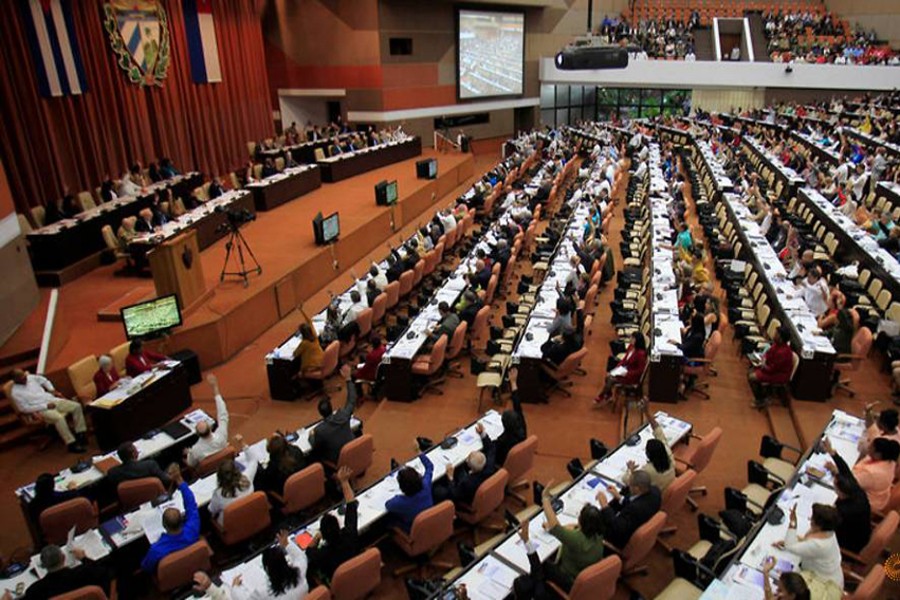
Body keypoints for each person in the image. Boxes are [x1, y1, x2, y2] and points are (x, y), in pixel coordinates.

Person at [537, 481, 605, 591]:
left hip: (570, 578)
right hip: (586, 570)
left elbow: (555, 527)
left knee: (542, 564)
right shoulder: (599, 532)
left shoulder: (575, 540)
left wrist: (545, 498)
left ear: (581, 521)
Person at [10, 369, 87, 453]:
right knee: (58, 418)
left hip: (51, 400)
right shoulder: (15, 393)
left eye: (24, 376)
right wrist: (45, 406)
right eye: (22, 378)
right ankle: (71, 444)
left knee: (76, 406)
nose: (25, 378)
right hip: (40, 409)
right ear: (15, 380)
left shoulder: (31, 378)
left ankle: (80, 434)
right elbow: (24, 408)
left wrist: (51, 390)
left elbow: (45, 381)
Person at [141, 466, 200, 573]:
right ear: (182, 520)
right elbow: (191, 505)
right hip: (193, 566)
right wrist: (180, 480)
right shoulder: (193, 527)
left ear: (164, 525)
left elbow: (146, 567)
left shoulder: (156, 549)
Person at [306, 467, 359, 585]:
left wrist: (317, 537)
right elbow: (351, 504)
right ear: (338, 526)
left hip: (336, 583)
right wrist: (344, 482)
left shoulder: (322, 554)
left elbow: (309, 550)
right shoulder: (350, 533)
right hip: (355, 575)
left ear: (324, 535)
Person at [774, 504, 843, 593]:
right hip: (830, 574)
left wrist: (793, 522)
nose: (810, 519)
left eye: (812, 518)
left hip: (821, 582)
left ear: (819, 524)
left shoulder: (818, 545)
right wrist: (797, 542)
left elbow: (789, 546)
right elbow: (807, 540)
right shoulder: (829, 532)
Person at [820, 437, 871, 553]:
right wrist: (831, 452)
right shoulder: (856, 490)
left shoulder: (844, 510)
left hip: (848, 542)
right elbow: (846, 471)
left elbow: (827, 526)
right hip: (859, 531)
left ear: (840, 492)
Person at [434, 423, 496, 506]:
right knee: (459, 468)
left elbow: (454, 494)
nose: (466, 460)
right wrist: (482, 434)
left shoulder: (467, 483)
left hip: (467, 498)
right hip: (477, 484)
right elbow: (491, 448)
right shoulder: (490, 465)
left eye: (468, 459)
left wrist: (450, 477)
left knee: (437, 490)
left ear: (470, 467)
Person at [832, 436, 899, 512]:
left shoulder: (872, 473)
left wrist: (835, 471)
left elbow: (849, 484)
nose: (868, 446)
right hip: (876, 494)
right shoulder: (889, 460)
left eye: (871, 447)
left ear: (878, 454)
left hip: (866, 503)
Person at [597, 470, 661, 549]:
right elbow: (635, 501)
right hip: (638, 521)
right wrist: (620, 497)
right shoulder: (655, 491)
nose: (628, 486)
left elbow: (616, 527)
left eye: (630, 485)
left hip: (618, 537)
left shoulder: (634, 509)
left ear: (637, 489)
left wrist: (605, 506)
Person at [23, 544, 111, 600]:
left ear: (44, 565)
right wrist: (84, 558)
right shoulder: (84, 573)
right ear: (63, 557)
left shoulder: (34, 591)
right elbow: (104, 572)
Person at [309, 365, 357, 466]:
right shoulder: (343, 415)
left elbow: (315, 446)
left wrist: (311, 436)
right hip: (352, 453)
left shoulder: (319, 430)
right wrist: (348, 379)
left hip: (336, 460)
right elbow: (351, 400)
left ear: (320, 413)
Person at [208, 435, 261, 525]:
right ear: (236, 470)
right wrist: (242, 443)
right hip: (252, 517)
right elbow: (253, 460)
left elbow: (211, 510)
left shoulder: (218, 494)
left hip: (232, 526)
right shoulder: (247, 477)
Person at [624, 402, 675, 491]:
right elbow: (657, 430)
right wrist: (647, 413)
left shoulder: (647, 471)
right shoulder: (667, 451)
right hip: (669, 486)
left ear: (648, 454)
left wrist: (630, 469)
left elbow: (627, 481)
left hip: (657, 497)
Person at [185, 374, 230, 468]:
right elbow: (223, 414)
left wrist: (188, 453)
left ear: (197, 433)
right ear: (210, 428)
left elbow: (191, 464)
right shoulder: (221, 435)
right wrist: (215, 387)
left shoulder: (195, 450)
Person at [385, 452, 434, 533]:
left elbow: (388, 505)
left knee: (388, 519)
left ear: (402, 487)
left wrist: (398, 496)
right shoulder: (426, 486)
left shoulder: (400, 502)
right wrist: (419, 452)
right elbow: (429, 467)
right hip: (430, 523)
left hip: (411, 530)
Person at [594, 332, 647, 404]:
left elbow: (640, 370)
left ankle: (602, 395)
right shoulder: (631, 347)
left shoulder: (641, 354)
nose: (630, 339)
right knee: (609, 375)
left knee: (610, 378)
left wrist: (627, 373)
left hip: (631, 376)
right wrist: (617, 368)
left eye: (632, 338)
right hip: (624, 370)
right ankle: (608, 395)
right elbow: (624, 360)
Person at [749, 325, 794, 409]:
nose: (774, 335)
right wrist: (763, 359)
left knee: (752, 377)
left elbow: (773, 369)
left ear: (781, 338)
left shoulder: (784, 352)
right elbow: (767, 354)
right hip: (770, 368)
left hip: (779, 375)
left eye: (776, 334)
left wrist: (763, 366)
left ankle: (761, 400)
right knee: (751, 370)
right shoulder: (777, 344)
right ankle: (764, 394)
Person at [494, 367, 527, 467]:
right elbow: (517, 405)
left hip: (501, 464)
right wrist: (513, 382)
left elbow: (492, 451)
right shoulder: (522, 427)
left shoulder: (502, 440)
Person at [511, 521, 552, 599]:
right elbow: (537, 569)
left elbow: (537, 571)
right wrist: (526, 540)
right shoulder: (541, 595)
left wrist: (526, 540)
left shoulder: (540, 593)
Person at [294, 304, 325, 379]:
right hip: (322, 361)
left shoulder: (304, 343)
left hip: (312, 367)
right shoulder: (314, 336)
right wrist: (302, 310)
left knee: (294, 370)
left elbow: (295, 354)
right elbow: (309, 322)